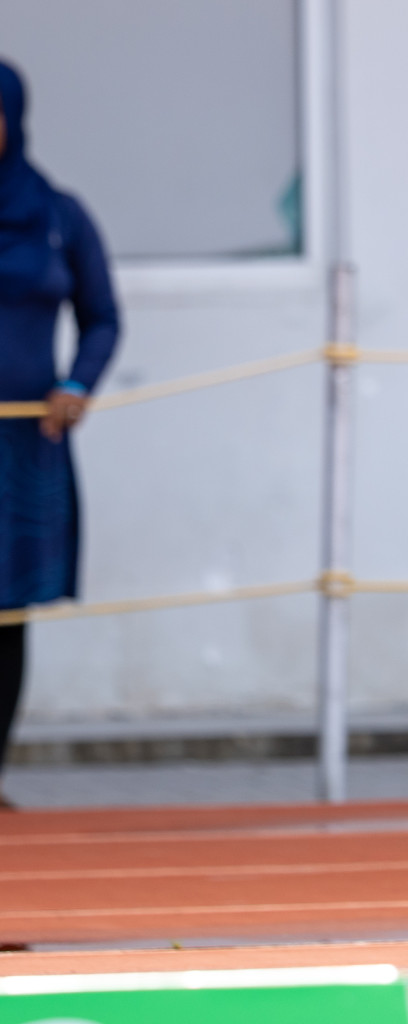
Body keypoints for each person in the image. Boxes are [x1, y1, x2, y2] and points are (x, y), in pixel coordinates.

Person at [0, 61, 119, 809]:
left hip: (24, 444)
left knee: (6, 613)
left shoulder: (57, 214)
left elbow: (104, 316)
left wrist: (76, 385)